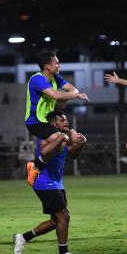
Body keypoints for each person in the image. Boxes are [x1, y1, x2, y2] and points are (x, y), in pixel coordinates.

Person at [14, 110, 87, 254]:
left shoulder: (63, 138)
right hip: (44, 182)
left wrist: (80, 144)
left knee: (56, 221)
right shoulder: (47, 138)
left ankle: (23, 237)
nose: (66, 122)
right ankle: (63, 253)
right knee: (64, 217)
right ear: (53, 123)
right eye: (62, 120)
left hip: (56, 183)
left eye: (66, 120)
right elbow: (44, 154)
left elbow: (73, 155)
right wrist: (62, 138)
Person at [25, 52, 89, 185]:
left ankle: (70, 157)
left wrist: (68, 96)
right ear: (47, 65)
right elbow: (57, 96)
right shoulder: (37, 79)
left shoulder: (56, 78)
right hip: (36, 121)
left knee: (76, 138)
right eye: (57, 63)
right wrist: (72, 97)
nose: (59, 65)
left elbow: (73, 90)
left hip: (50, 119)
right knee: (63, 139)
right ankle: (35, 166)